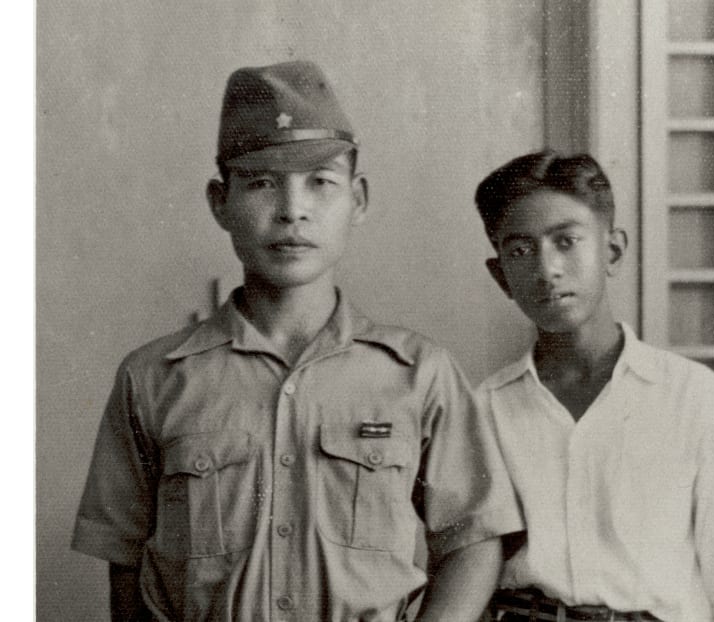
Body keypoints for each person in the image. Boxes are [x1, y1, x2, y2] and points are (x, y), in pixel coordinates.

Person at [72, 60, 523, 622]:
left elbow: (474, 540)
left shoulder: (419, 373)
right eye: (261, 182)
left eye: (321, 183)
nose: (292, 210)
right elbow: (126, 564)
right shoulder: (154, 377)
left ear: (357, 199)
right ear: (220, 201)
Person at [474, 150, 714, 622]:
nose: (547, 268)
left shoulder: (696, 399)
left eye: (566, 241)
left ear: (612, 251)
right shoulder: (482, 410)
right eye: (521, 250)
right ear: (501, 276)